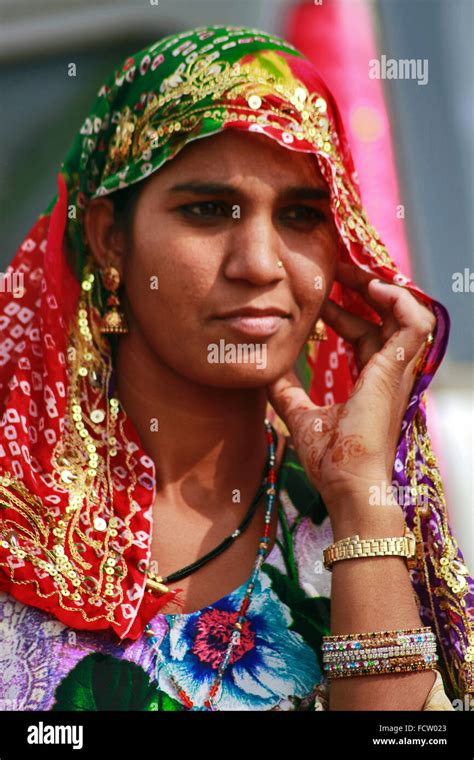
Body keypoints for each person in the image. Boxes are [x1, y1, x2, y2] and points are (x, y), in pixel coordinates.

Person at [0, 24, 471, 712]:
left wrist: (359, 489)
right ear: (110, 238)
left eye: (302, 215)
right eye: (209, 210)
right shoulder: (21, 506)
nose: (259, 263)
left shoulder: (352, 518)